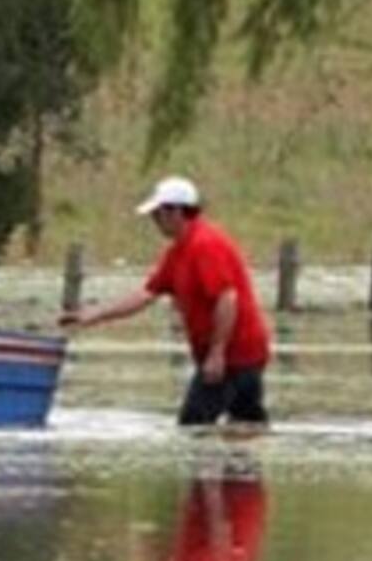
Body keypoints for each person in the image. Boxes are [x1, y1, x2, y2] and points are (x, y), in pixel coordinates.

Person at [60, 175, 271, 425]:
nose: (154, 222)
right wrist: (93, 315)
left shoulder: (206, 245)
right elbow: (146, 294)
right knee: (246, 424)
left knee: (193, 425)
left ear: (176, 212)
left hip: (236, 355)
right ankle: (242, 462)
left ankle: (227, 463)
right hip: (237, 353)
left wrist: (217, 353)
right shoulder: (179, 250)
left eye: (157, 214)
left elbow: (227, 299)